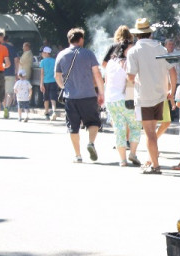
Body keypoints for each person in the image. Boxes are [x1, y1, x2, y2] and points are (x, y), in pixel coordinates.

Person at [126, 18, 177, 174]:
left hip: (144, 96)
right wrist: (172, 91)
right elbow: (173, 71)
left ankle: (155, 165)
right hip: (160, 95)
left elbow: (130, 76)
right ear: (149, 33)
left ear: (137, 35)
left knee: (149, 133)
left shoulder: (134, 51)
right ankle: (152, 160)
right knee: (152, 132)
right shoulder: (161, 49)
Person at [55, 27, 105, 163]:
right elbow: (97, 74)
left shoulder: (61, 55)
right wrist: (101, 92)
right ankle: (90, 143)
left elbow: (57, 76)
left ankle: (78, 155)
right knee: (94, 122)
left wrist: (63, 87)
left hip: (70, 97)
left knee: (73, 126)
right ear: (81, 39)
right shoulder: (88, 54)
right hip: (88, 95)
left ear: (69, 39)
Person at [105, 41, 141, 167]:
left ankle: (122, 160)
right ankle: (132, 153)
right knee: (135, 126)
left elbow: (107, 81)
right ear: (125, 51)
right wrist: (131, 99)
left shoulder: (110, 62)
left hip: (110, 99)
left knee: (119, 129)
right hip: (125, 98)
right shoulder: (127, 62)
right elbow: (130, 81)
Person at [39, 46, 59, 120]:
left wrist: (41, 84)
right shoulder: (54, 61)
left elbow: (42, 74)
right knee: (53, 97)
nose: (42, 54)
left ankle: (46, 112)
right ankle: (54, 112)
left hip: (45, 82)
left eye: (43, 53)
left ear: (47, 53)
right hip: (54, 81)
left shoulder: (42, 62)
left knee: (46, 98)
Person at [2, 34, 18, 118]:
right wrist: (17, 72)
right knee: (10, 93)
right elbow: (16, 60)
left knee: (3, 93)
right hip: (11, 73)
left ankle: (4, 107)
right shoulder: (12, 48)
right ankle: (7, 108)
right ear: (7, 39)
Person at [0, 29, 11, 118]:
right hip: (0, 73)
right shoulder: (4, 48)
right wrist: (3, 66)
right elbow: (8, 64)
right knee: (0, 95)